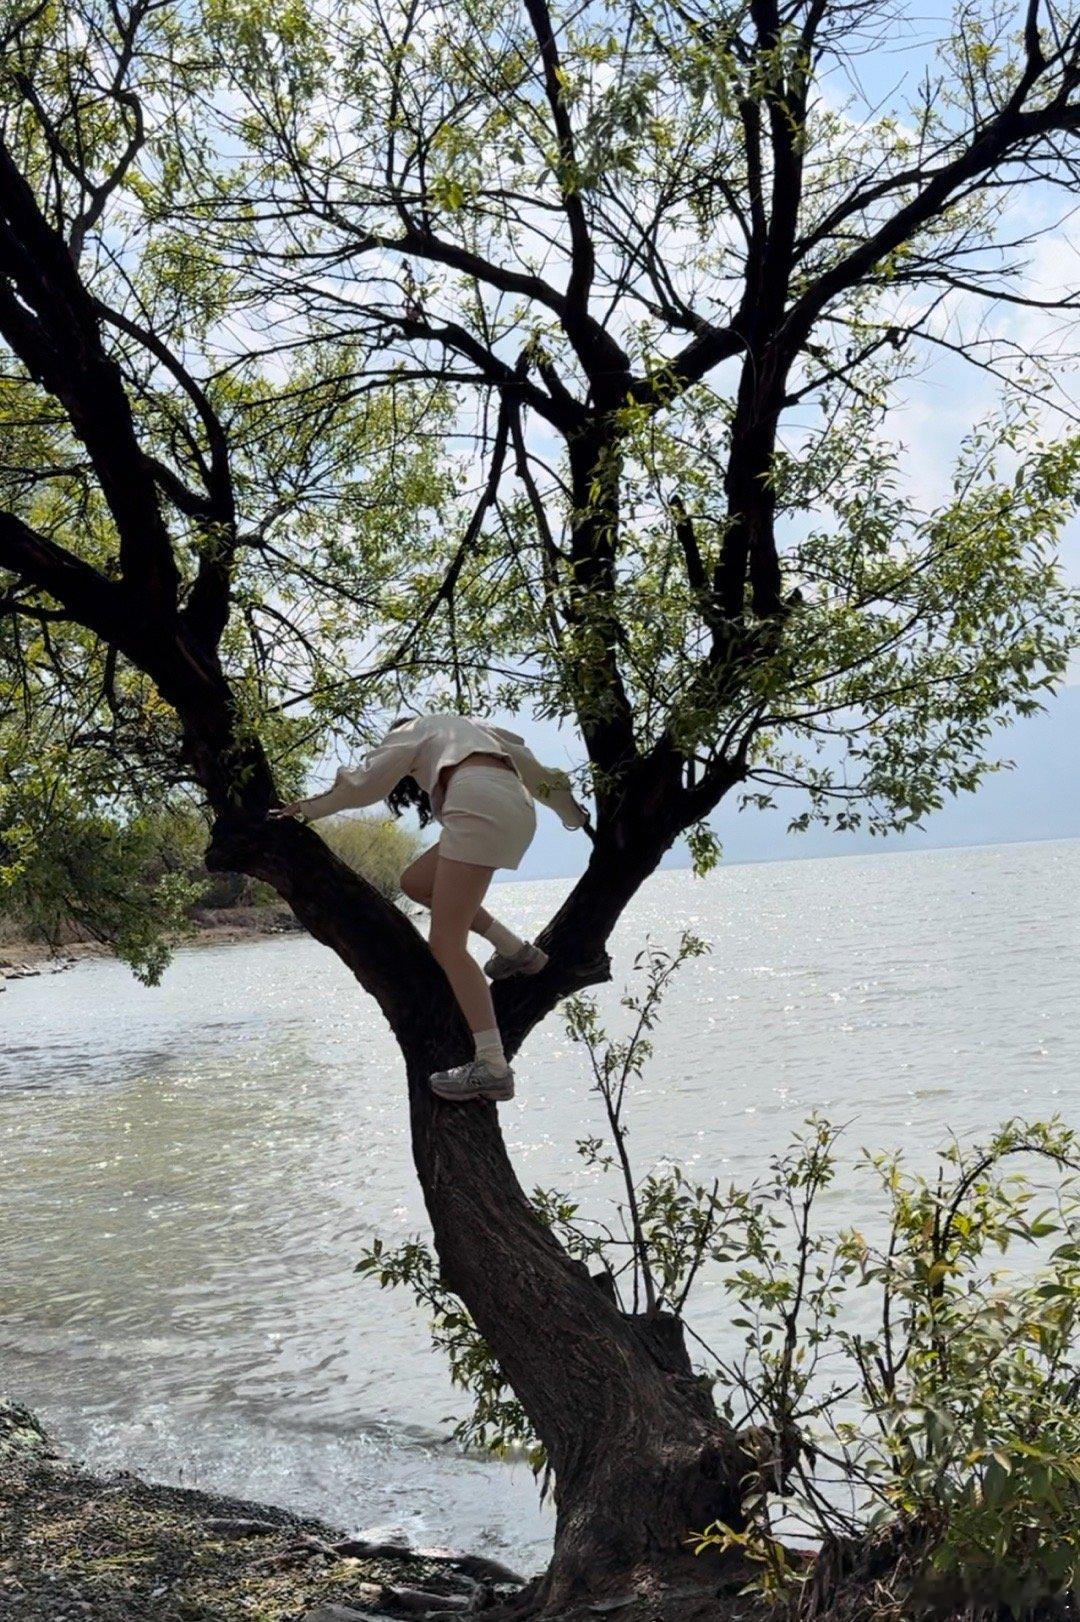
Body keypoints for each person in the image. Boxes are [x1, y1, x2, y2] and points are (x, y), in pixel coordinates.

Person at [270, 712, 591, 1103]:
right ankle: (517, 952)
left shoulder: (412, 729)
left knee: (446, 944)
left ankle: (492, 1067)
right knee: (417, 884)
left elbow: (367, 782)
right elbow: (535, 770)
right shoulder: (476, 730)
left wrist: (308, 808)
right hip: (515, 807)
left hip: (476, 801)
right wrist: (572, 813)